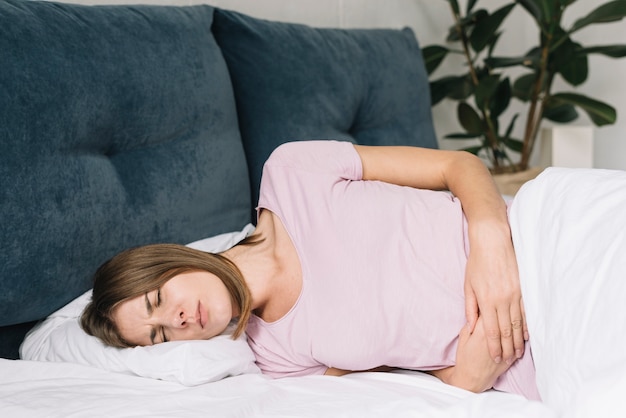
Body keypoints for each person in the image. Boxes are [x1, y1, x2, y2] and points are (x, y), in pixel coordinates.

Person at [81, 140, 539, 400]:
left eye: (157, 300)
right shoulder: (277, 361)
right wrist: (463, 381)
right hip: (530, 361)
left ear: (170, 262)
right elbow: (399, 382)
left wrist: (491, 244)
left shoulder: (292, 172)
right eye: (159, 336)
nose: (176, 320)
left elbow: (457, 164)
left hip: (538, 245)